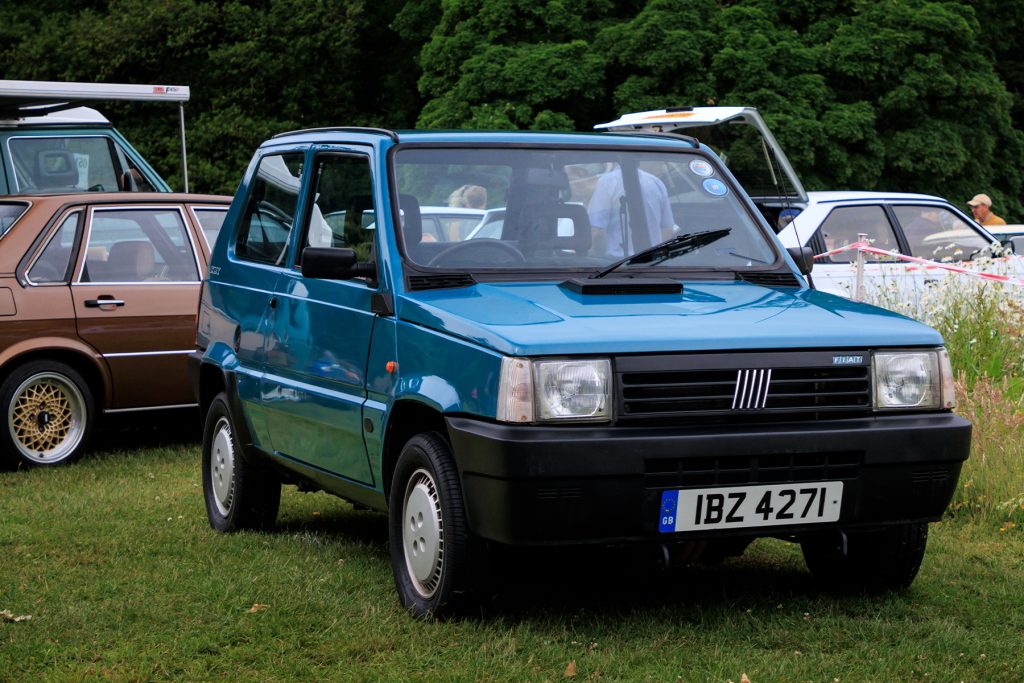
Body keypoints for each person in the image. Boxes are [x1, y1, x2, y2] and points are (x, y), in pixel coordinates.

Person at [587, 165, 674, 258]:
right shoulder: (656, 182)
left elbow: (597, 232)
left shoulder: (606, 183)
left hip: (615, 264)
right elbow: (667, 230)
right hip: (653, 262)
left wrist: (599, 260)